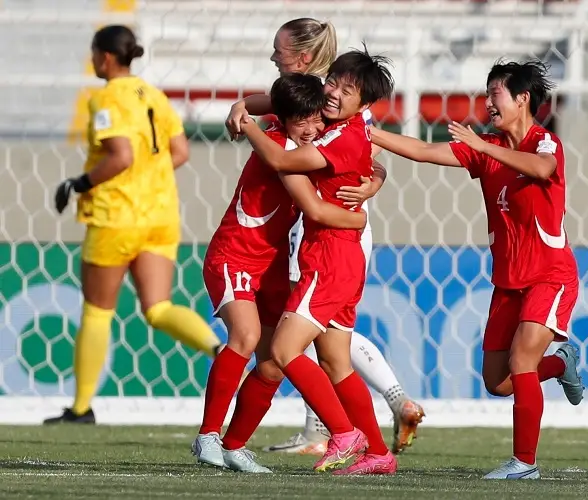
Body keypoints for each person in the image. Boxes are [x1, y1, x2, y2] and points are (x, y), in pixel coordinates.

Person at [369, 60, 585, 480]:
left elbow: (543, 170)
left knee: (522, 360)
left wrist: (484, 147)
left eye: (496, 95)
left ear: (523, 99)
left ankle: (525, 464)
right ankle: (561, 364)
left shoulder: (545, 143)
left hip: (550, 274)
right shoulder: (485, 148)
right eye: (487, 95)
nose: (488, 103)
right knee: (498, 382)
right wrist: (370, 133)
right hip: (508, 281)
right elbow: (424, 151)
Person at [226, 17, 424, 455]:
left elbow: (340, 159)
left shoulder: (336, 112)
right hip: (326, 232)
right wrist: (243, 105)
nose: (273, 56)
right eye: (332, 84)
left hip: (333, 232)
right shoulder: (319, 101)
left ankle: (337, 429)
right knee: (330, 350)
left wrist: (369, 190)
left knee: (288, 344)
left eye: (278, 50)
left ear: (301, 57)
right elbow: (272, 104)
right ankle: (370, 447)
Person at [45, 25, 223, 425]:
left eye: (93, 53)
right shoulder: (155, 96)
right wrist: (147, 177)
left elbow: (120, 155)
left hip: (115, 218)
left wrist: (79, 183)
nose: (92, 60)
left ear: (106, 56)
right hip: (159, 215)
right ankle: (220, 351)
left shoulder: (107, 97)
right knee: (159, 308)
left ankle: (80, 408)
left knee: (97, 311)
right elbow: (180, 152)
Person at [194, 73, 370, 472]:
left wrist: (374, 181)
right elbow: (314, 208)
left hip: (272, 265)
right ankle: (207, 435)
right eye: (302, 121)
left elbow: (371, 162)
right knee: (247, 335)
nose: (312, 128)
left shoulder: (312, 141)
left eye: (317, 120)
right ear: (283, 119)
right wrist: (356, 221)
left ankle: (234, 445)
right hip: (234, 255)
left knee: (274, 362)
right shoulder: (278, 148)